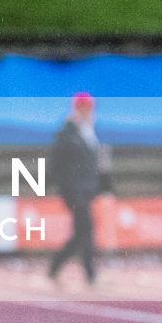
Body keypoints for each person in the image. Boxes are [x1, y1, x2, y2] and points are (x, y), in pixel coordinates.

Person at [46, 92, 103, 288]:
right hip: (75, 193)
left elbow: (93, 165)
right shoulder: (69, 132)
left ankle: (55, 267)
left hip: (85, 191)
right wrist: (67, 190)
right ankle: (90, 276)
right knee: (85, 231)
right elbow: (57, 163)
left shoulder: (88, 132)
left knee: (81, 234)